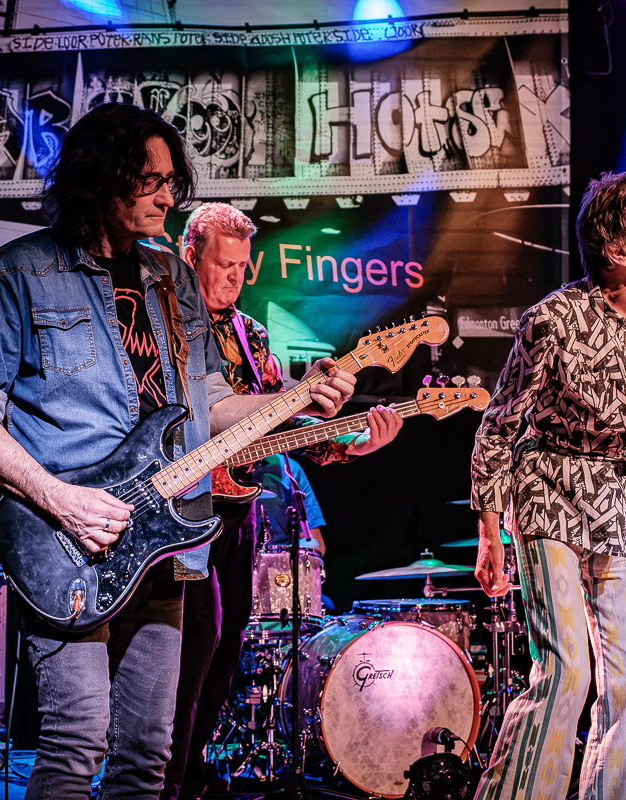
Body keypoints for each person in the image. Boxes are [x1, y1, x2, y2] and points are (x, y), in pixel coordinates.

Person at [0, 104, 356, 799]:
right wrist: (61, 500)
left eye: (172, 182)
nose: (168, 197)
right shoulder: (17, 273)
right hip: (69, 542)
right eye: (151, 180)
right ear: (100, 178)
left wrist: (297, 397)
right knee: (76, 744)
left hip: (166, 544)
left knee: (146, 757)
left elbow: (213, 407)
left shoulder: (172, 276)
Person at [470, 171, 626, 799]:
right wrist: (490, 531)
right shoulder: (553, 321)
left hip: (621, 497)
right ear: (617, 250)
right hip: (550, 489)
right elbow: (499, 426)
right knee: (568, 669)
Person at [164, 202, 401, 799]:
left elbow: (281, 423)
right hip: (177, 510)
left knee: (224, 651)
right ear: (190, 255)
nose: (235, 279)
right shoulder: (163, 323)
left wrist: (351, 443)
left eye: (243, 268)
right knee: (191, 647)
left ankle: (189, 775)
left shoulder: (252, 335)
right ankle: (159, 777)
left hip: (236, 510)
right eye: (223, 265)